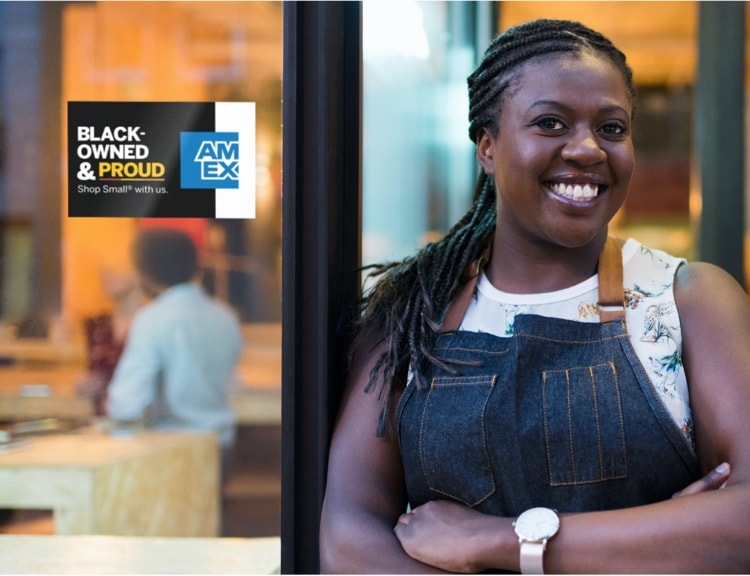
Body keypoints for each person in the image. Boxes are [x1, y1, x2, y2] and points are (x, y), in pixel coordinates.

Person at [319, 19, 750, 573]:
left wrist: (506, 542)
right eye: (550, 123)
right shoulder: (412, 314)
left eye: (612, 128)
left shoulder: (689, 300)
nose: (588, 148)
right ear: (487, 147)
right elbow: (348, 537)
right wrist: (654, 540)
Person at [105, 227, 242, 481]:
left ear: (145, 272)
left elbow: (126, 404)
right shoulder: (226, 317)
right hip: (220, 448)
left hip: (171, 452)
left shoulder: (152, 319)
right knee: (208, 520)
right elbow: (234, 383)